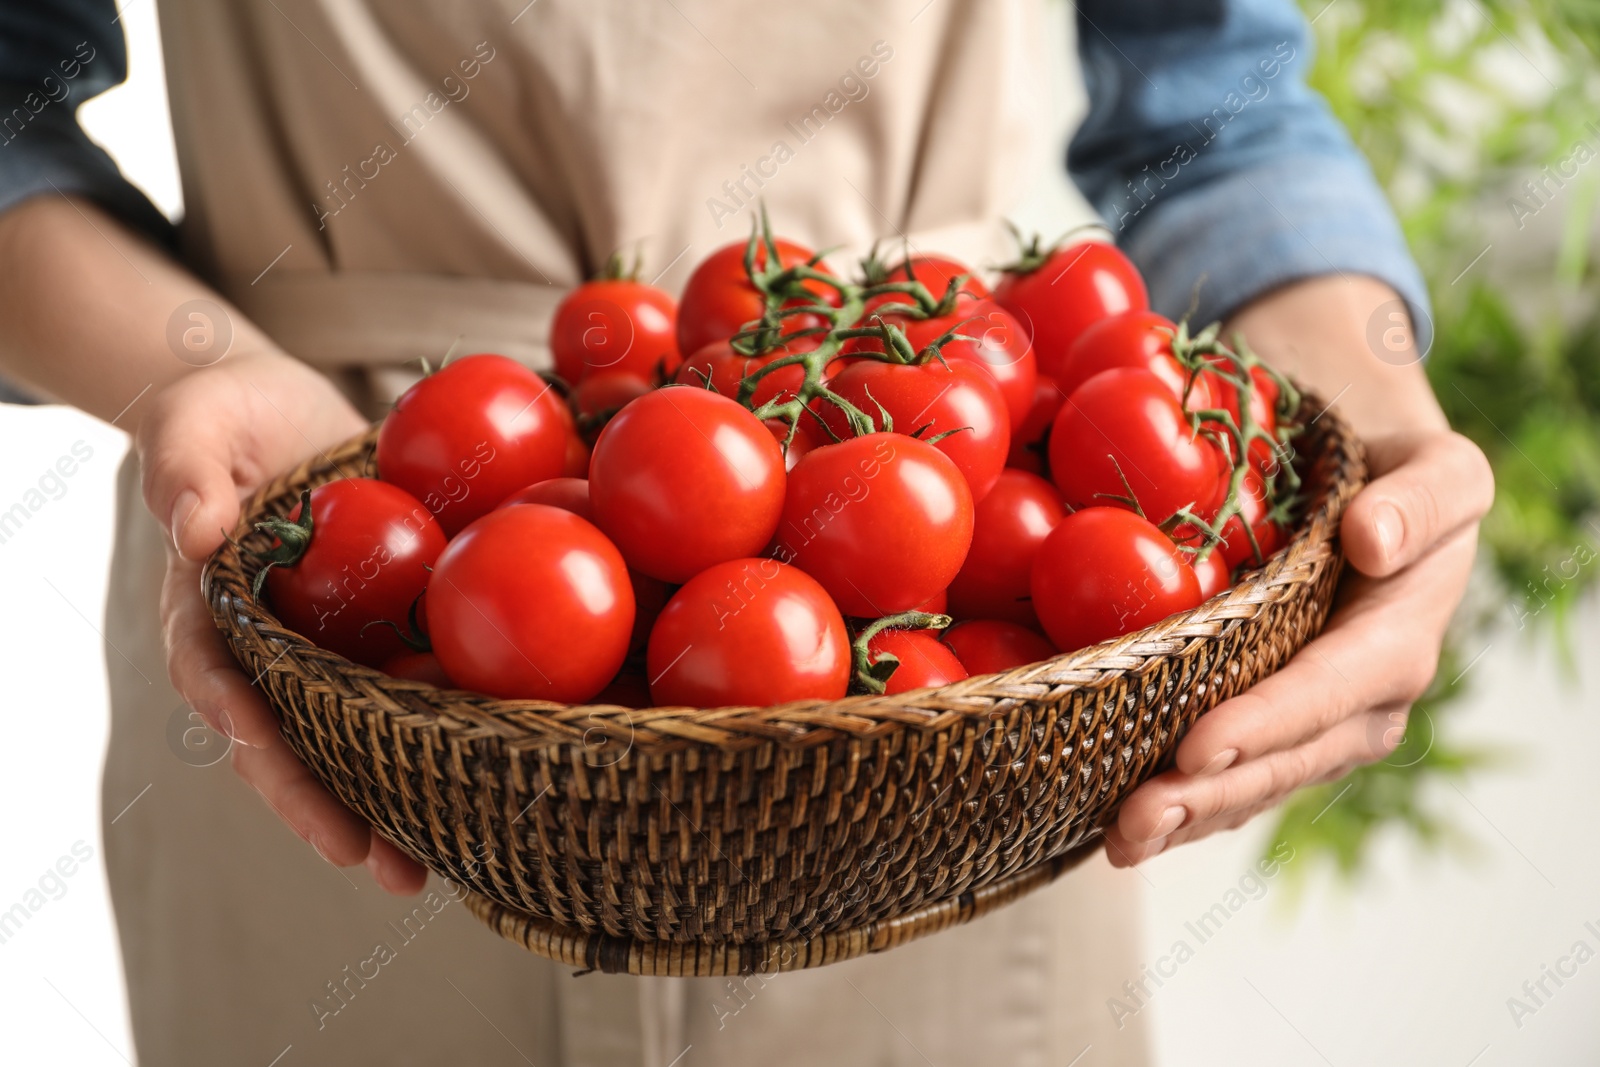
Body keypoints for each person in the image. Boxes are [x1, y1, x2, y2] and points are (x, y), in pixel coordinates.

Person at [0, 0, 1493, 1063]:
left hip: (947, 688)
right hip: (358, 590)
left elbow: (1214, 104)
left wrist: (1382, 432)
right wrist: (191, 369)